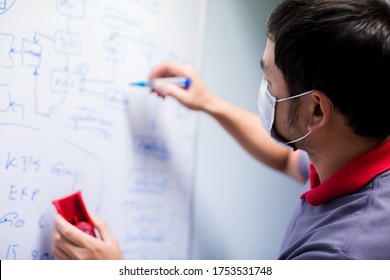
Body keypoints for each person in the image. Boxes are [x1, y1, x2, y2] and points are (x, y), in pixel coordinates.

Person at [52, 0, 390, 259]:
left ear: (316, 110)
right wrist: (208, 102)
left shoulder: (340, 254)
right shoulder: (352, 147)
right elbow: (289, 161)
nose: (265, 91)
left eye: (270, 82)